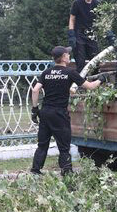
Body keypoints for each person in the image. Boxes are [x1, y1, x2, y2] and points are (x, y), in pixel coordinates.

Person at [30, 46, 104, 175]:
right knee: (64, 146)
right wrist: (101, 79)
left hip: (45, 112)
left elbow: (35, 90)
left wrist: (35, 109)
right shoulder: (70, 72)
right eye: (68, 54)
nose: (69, 56)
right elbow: (90, 87)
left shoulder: (46, 72)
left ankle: (35, 170)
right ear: (63, 57)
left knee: (42, 144)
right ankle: (67, 172)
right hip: (59, 114)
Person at [68, 0, 99, 73]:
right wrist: (71, 34)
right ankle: (80, 84)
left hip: (92, 35)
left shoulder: (97, 4)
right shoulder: (77, 3)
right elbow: (72, 19)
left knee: (95, 60)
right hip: (79, 34)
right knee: (80, 60)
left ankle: (94, 84)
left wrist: (108, 33)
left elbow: (102, 20)